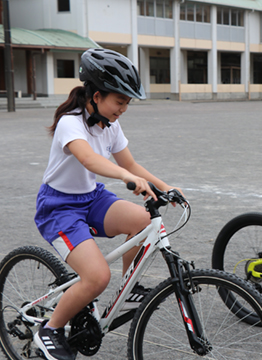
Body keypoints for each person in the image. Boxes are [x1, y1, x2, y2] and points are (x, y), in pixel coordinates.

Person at [33, 48, 183, 360]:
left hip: (92, 198)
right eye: (120, 101)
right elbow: (88, 159)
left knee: (143, 220)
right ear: (97, 95)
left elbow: (131, 163)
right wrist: (126, 178)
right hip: (59, 208)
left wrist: (165, 187)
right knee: (97, 277)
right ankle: (50, 329)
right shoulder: (70, 123)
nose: (124, 109)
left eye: (128, 102)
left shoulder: (110, 124)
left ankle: (128, 291)